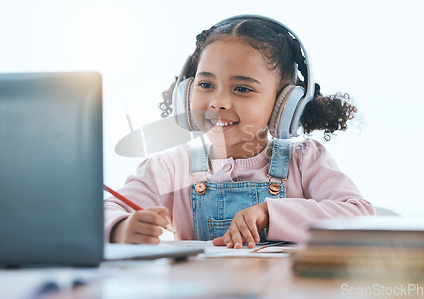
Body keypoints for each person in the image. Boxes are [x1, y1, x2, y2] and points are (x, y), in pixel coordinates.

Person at [104, 15, 374, 249]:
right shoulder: (169, 168)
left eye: (242, 88)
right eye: (206, 84)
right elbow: (100, 213)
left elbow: (359, 216)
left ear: (285, 103)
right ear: (185, 92)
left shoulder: (304, 161)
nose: (218, 101)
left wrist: (271, 213)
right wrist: (119, 229)